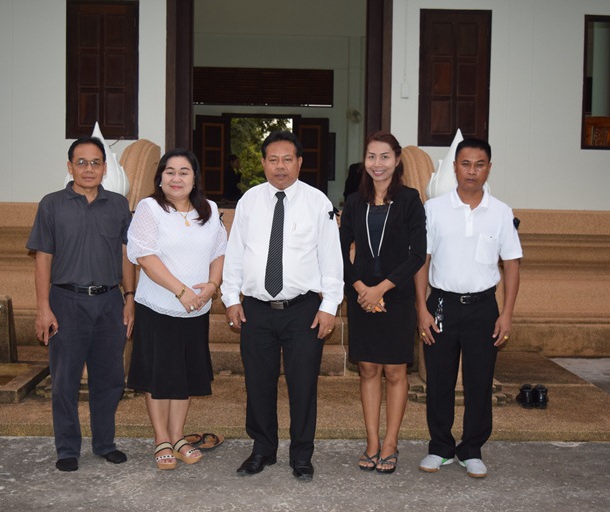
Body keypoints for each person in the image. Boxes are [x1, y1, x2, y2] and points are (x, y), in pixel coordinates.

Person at [221, 130, 344, 481]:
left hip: (303, 310)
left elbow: (331, 258)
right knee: (258, 383)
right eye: (273, 159)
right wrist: (231, 298)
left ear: (299, 162)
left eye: (287, 159)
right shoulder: (249, 201)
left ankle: (302, 454)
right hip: (256, 309)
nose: (280, 166)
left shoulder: (318, 202)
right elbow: (235, 253)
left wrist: (329, 306)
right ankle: (263, 449)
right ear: (262, 163)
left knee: (303, 385)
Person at [27, 136, 136, 472]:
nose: (89, 169)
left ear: (105, 168)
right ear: (70, 166)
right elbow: (43, 258)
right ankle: (67, 448)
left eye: (95, 163)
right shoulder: (51, 205)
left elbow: (126, 254)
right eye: (82, 162)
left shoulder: (118, 205)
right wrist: (43, 307)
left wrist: (129, 298)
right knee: (65, 381)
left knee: (110, 379)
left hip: (109, 302)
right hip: (66, 302)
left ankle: (105, 444)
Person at [415, 138, 522, 478]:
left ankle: (472, 448)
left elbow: (512, 265)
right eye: (465, 164)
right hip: (441, 305)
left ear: (489, 168)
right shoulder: (434, 209)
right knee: (439, 380)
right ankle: (440, 447)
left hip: (483, 308)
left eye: (479, 164)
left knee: (480, 381)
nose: (471, 171)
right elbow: (422, 262)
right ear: (454, 167)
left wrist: (506, 314)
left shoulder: (501, 212)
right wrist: (421, 309)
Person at [126, 148, 227, 470]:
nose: (176, 178)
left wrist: (212, 285)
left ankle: (179, 436)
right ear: (160, 177)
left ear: (195, 178)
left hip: (195, 310)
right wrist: (180, 291)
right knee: (159, 376)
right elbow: (145, 256)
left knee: (184, 375)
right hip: (158, 308)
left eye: (184, 172)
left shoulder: (209, 210)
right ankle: (162, 440)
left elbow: (220, 253)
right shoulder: (150, 208)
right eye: (170, 171)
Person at [339, 131, 426, 474]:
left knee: (395, 370)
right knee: (368, 369)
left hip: (397, 297)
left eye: (385, 157)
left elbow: (417, 254)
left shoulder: (409, 200)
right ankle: (372, 442)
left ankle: (390, 442)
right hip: (362, 297)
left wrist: (382, 289)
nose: (378, 164)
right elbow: (338, 252)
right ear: (365, 161)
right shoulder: (354, 202)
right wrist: (362, 288)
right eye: (372, 157)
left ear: (397, 159)